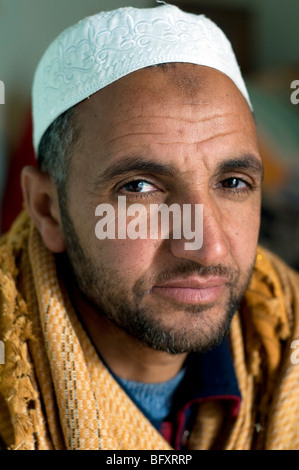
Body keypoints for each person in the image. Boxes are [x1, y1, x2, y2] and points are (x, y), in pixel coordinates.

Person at [0, 4, 298, 451]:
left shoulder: (285, 332)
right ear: (47, 209)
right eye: (139, 187)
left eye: (233, 182)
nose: (208, 247)